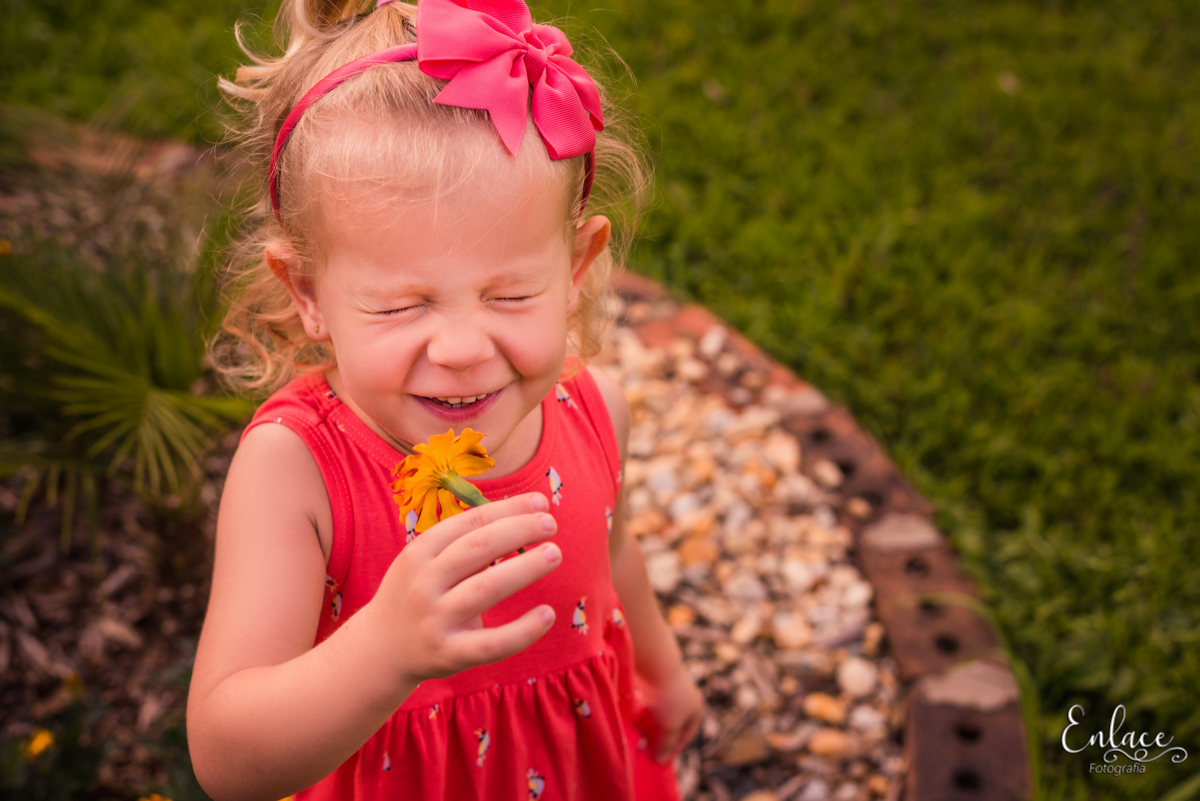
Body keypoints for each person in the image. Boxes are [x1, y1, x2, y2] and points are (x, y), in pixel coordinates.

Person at [186, 0, 705, 799]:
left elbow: (615, 559)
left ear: (574, 268)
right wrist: (382, 653)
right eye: (400, 306)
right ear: (309, 292)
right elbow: (225, 758)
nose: (462, 349)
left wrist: (662, 673)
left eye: (510, 295)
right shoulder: (296, 470)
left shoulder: (594, 409)